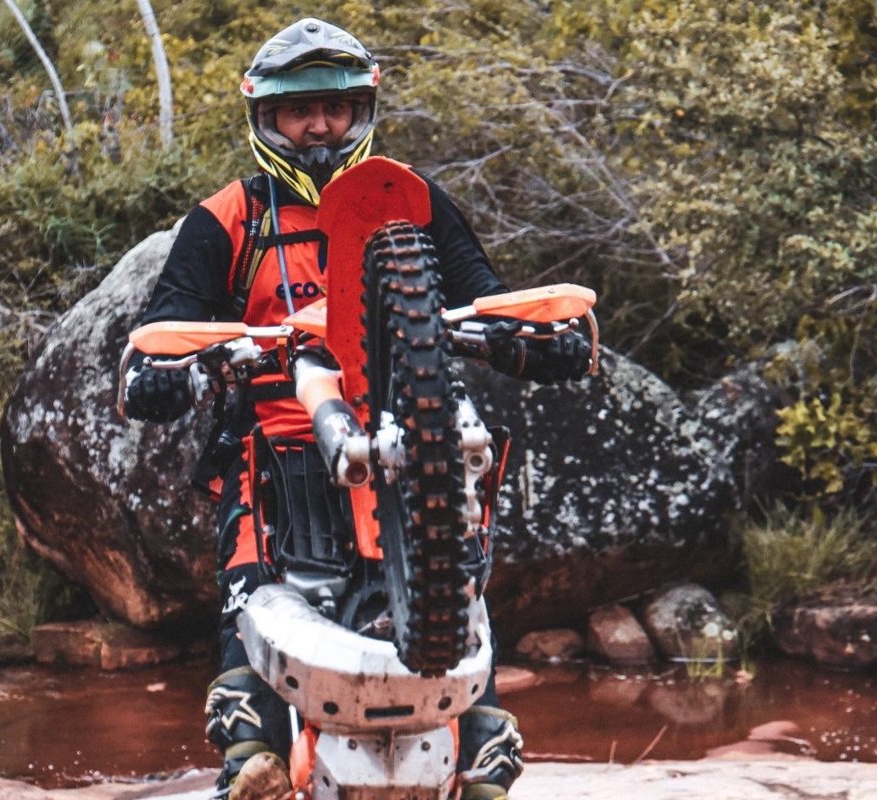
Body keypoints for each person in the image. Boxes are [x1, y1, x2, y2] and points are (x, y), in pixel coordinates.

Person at [123, 17, 591, 800]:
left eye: (335, 108)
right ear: (267, 118)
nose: (319, 126)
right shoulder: (229, 218)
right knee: (251, 604)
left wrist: (531, 342)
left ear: (360, 111)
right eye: (299, 111)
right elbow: (163, 330)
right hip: (279, 448)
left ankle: (481, 757)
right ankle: (252, 760)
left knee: (458, 594)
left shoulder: (413, 203)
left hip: (412, 439)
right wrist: (173, 370)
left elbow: (482, 298)